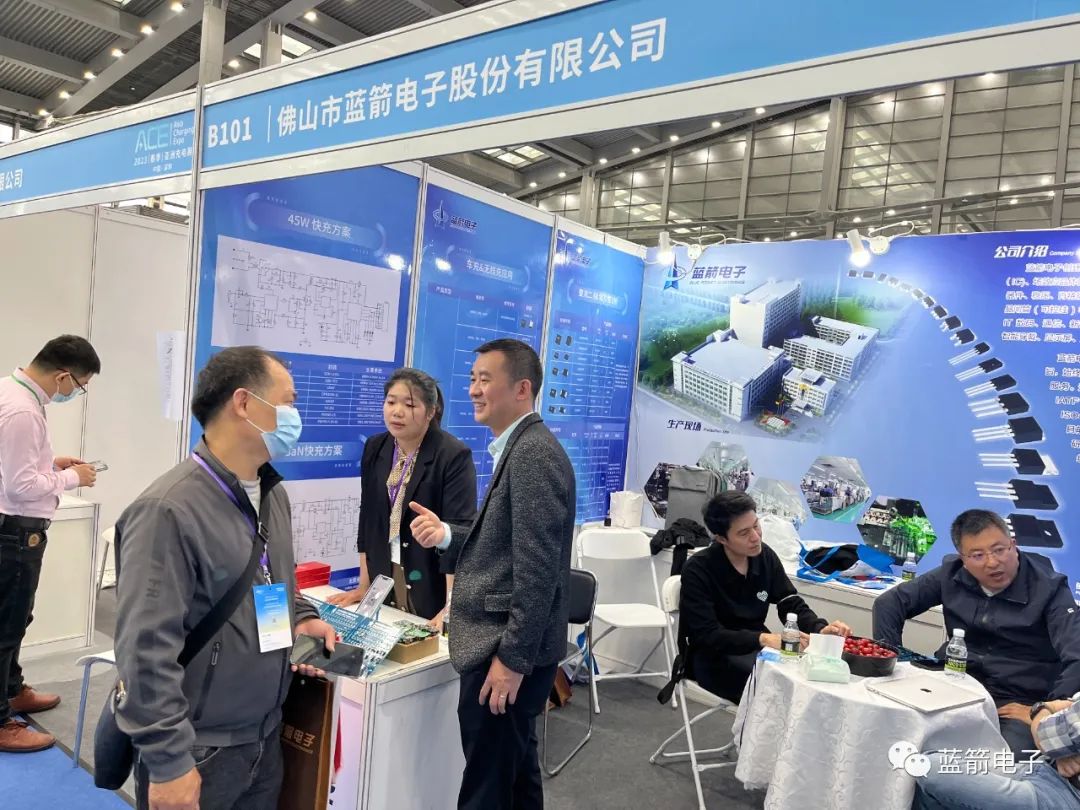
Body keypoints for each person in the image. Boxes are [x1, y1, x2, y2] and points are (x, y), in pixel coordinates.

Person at [113, 346, 336, 810]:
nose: (295, 416)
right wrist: (170, 762)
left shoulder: (271, 493)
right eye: (288, 402)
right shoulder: (167, 511)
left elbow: (269, 581)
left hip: (263, 736)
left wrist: (301, 617)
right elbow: (144, 649)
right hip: (197, 748)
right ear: (244, 403)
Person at [409, 338, 575, 810]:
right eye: (472, 379)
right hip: (505, 645)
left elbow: (537, 571)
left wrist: (512, 661)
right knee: (515, 778)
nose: (474, 390)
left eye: (485, 379)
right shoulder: (519, 448)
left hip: (502, 649)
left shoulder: (533, 455)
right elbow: (504, 546)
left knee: (487, 788)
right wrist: (447, 535)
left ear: (522, 388)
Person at [873, 508, 1080, 758]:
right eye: (978, 555)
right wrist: (890, 665)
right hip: (952, 683)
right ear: (963, 559)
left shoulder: (1049, 588)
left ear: (1013, 545)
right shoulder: (951, 573)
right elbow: (889, 603)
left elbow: (1077, 656)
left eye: (999, 550)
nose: (992, 562)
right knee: (891, 735)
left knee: (1002, 764)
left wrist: (1045, 711)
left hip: (1015, 700)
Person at [0, 335, 100, 753]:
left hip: (13, 529)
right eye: (79, 386)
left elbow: (12, 466)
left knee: (15, 618)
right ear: (63, 376)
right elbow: (20, 486)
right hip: (14, 531)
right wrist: (73, 478)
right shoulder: (23, 410)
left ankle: (12, 689)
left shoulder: (11, 391)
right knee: (6, 625)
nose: (75, 393)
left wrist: (50, 464)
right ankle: (1, 721)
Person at [328, 368, 476, 628]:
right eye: (391, 402)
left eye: (409, 405)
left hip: (430, 581)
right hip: (385, 576)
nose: (397, 412)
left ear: (430, 412)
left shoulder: (453, 455)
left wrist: (450, 606)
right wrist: (364, 585)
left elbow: (459, 534)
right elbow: (368, 517)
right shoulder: (375, 447)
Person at [677, 491, 851, 703]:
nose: (755, 537)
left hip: (757, 647)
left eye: (756, 525)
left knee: (805, 675)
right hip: (712, 657)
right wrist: (764, 639)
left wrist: (818, 629)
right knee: (777, 686)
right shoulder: (698, 569)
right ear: (721, 538)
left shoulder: (764, 556)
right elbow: (708, 635)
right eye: (744, 533)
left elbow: (789, 602)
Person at [914, 697, 1080, 809]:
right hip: (1044, 767)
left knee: (927, 767)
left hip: (1063, 796)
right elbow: (1069, 704)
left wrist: (1042, 710)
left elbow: (1046, 735)